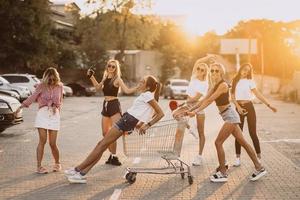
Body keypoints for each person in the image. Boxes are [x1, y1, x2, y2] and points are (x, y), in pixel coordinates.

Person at [65, 75, 164, 183]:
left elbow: (160, 114)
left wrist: (147, 125)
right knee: (102, 146)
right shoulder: (147, 95)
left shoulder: (147, 95)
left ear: (148, 86)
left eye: (142, 82)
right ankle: (81, 174)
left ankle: (77, 169)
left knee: (101, 144)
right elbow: (145, 112)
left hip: (126, 121)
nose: (139, 83)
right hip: (127, 120)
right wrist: (139, 123)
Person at [178, 63, 267, 182]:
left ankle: (223, 173)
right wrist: (190, 110)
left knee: (218, 142)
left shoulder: (223, 85)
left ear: (221, 73)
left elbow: (210, 100)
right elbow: (203, 100)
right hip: (228, 116)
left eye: (216, 71)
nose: (214, 73)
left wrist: (196, 111)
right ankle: (259, 167)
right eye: (212, 71)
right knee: (244, 143)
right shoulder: (214, 86)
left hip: (230, 116)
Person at [87, 59, 140, 166]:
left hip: (114, 105)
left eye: (113, 67)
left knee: (115, 132)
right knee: (105, 133)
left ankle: (114, 157)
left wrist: (138, 87)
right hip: (105, 105)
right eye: (109, 66)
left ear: (116, 69)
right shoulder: (105, 77)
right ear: (107, 67)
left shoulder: (117, 79)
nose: (111, 68)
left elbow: (127, 91)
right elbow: (97, 88)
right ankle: (111, 155)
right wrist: (91, 77)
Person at [15, 67, 63, 174]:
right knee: (42, 141)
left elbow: (60, 101)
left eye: (54, 79)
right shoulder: (41, 86)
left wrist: (57, 108)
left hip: (54, 115)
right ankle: (39, 166)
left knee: (53, 143)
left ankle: (57, 163)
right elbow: (32, 97)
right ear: (46, 78)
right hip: (42, 114)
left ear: (56, 78)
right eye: (50, 80)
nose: (52, 82)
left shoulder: (59, 86)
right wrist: (21, 106)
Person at [231, 63, 277, 167]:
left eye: (247, 70)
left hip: (249, 107)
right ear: (241, 69)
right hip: (238, 108)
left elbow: (258, 94)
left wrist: (269, 105)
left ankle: (258, 157)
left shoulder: (250, 81)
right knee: (238, 134)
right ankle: (237, 158)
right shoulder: (235, 80)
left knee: (253, 133)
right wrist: (238, 107)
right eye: (244, 69)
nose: (245, 71)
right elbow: (232, 95)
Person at [186, 61, 209, 166]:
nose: (199, 71)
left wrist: (187, 102)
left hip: (198, 106)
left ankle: (199, 156)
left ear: (205, 72)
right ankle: (191, 127)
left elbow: (197, 98)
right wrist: (207, 57)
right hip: (188, 104)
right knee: (176, 115)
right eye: (198, 69)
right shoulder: (193, 78)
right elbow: (196, 62)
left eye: (202, 70)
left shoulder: (205, 83)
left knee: (201, 133)